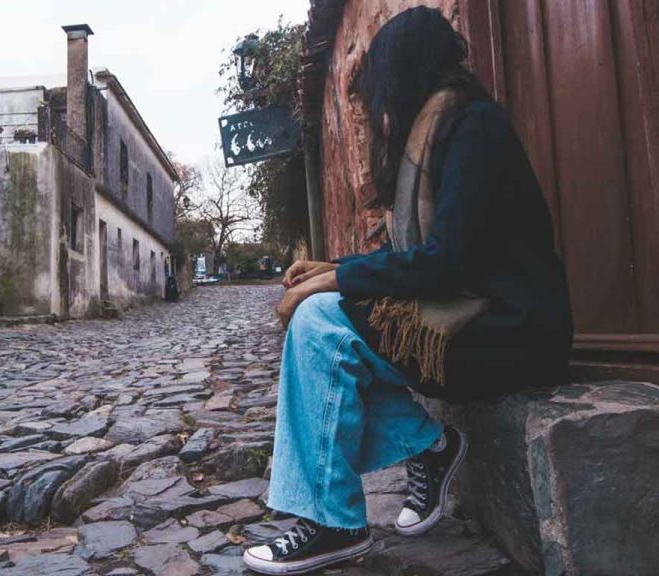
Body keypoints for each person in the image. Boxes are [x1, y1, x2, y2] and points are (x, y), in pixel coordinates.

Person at [242, 7, 573, 575]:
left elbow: (443, 263)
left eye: (381, 85)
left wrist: (335, 279)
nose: (380, 103)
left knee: (321, 322)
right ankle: (426, 446)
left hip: (513, 332)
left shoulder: (473, 128)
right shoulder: (443, 129)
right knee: (328, 324)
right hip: (474, 322)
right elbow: (419, 258)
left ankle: (332, 521)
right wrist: (336, 264)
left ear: (406, 70)